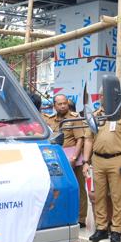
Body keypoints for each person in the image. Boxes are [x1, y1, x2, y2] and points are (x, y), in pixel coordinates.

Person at [84, 102, 121, 242]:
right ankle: (101, 228)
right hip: (98, 159)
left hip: (118, 159)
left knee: (117, 196)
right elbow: (88, 139)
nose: (105, 98)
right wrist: (85, 161)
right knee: (99, 195)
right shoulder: (95, 115)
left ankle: (116, 230)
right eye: (102, 95)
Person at [46, 94, 88, 229]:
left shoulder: (74, 118)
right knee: (57, 188)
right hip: (55, 160)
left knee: (78, 188)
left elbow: (80, 140)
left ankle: (81, 218)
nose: (63, 106)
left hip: (72, 159)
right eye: (60, 104)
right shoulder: (50, 120)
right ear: (54, 105)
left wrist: (74, 158)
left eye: (65, 103)